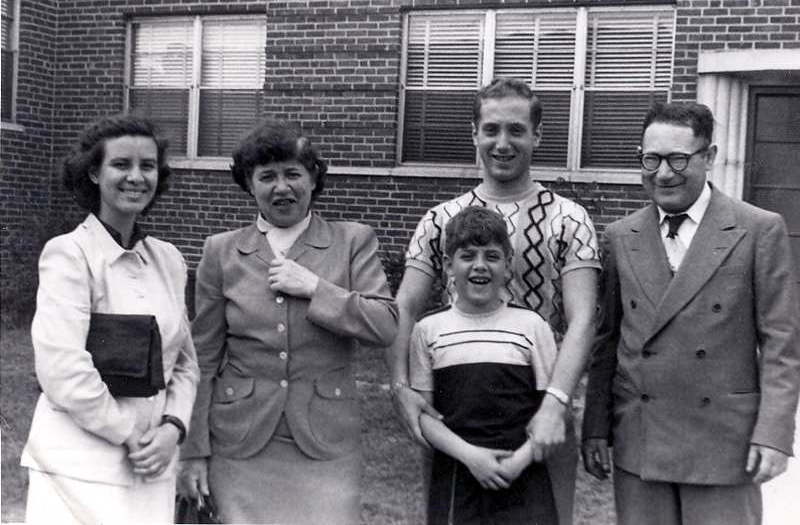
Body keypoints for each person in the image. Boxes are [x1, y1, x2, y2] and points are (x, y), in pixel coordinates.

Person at [388, 77, 600, 525]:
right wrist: (401, 388)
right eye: (491, 130)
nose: (503, 143)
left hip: (540, 404)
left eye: (517, 130)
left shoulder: (569, 218)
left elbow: (583, 320)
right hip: (458, 411)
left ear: (537, 136)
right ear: (474, 134)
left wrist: (554, 407)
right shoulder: (441, 220)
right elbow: (404, 308)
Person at [581, 102, 800, 525]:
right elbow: (606, 342)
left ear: (710, 156)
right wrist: (595, 426)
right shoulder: (621, 235)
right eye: (651, 159)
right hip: (641, 439)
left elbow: (781, 344)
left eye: (678, 158)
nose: (663, 173)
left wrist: (774, 434)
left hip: (723, 444)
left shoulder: (757, 228)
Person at [177, 119, 399, 524]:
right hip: (240, 440)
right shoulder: (220, 252)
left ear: (314, 178)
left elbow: (384, 325)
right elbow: (202, 360)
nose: (282, 187)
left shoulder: (352, 241)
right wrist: (193, 451)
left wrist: (316, 287)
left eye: (293, 174)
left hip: (326, 442)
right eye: (267, 177)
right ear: (249, 183)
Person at [20, 113, 200, 524]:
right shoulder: (69, 254)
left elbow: (185, 364)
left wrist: (173, 427)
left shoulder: (169, 259)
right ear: (94, 173)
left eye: (148, 166)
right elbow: (62, 369)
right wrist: (131, 434)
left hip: (152, 468)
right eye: (122, 164)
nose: (136, 177)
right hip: (79, 468)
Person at [409, 206, 560, 525]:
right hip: (457, 474)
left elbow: (552, 413)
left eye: (492, 256)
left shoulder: (532, 326)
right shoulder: (428, 330)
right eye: (468, 256)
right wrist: (471, 457)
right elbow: (424, 415)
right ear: (449, 265)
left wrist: (517, 462)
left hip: (522, 473)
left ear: (507, 266)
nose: (480, 266)